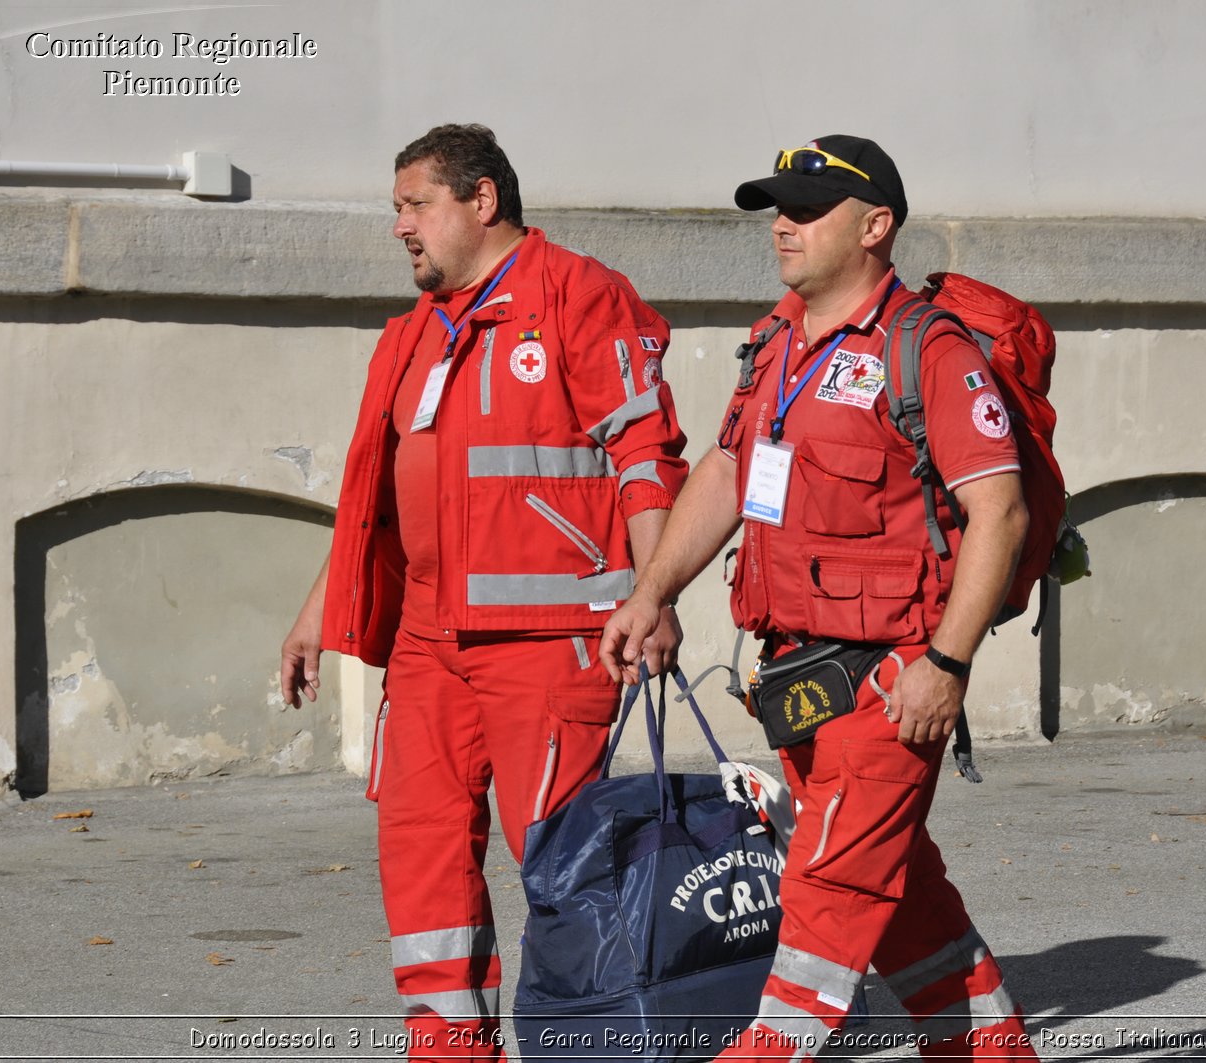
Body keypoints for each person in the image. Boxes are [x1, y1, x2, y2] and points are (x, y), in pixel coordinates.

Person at [601, 135, 1038, 1060]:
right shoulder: (773, 347)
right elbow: (727, 470)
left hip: (892, 686)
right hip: (797, 681)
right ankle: (991, 1046)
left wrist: (947, 665)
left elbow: (997, 512)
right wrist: (652, 590)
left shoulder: (930, 351)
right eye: (778, 209)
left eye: (808, 209)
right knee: (900, 894)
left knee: (829, 891)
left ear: (876, 226)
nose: (784, 226)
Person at [280, 123, 687, 1061]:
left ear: (481, 201)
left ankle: (598, 1038)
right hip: (429, 646)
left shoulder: (579, 296)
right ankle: (449, 1044)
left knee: (564, 863)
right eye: (397, 209)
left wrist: (655, 592)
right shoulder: (415, 333)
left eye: (414, 205)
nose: (400, 229)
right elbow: (376, 497)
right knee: (419, 853)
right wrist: (320, 606)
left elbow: (644, 454)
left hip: (550, 640)